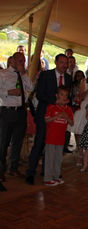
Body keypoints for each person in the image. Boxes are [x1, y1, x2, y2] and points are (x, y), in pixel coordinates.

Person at [25, 54, 72, 185]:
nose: (64, 65)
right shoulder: (46, 75)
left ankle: (49, 172)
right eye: (62, 62)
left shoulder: (68, 78)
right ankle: (30, 172)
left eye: (66, 63)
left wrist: (68, 104)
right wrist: (56, 102)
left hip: (59, 119)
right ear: (56, 62)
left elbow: (69, 96)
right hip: (45, 114)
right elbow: (39, 94)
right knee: (40, 143)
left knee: (54, 145)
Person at [0, 52, 34, 181]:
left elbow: (31, 87)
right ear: (13, 60)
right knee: (3, 142)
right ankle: (1, 170)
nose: (22, 63)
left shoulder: (22, 75)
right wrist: (8, 92)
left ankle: (13, 168)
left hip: (21, 112)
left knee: (17, 142)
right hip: (7, 111)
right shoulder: (3, 74)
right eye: (20, 61)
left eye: (23, 61)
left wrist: (24, 74)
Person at [44, 86, 73, 186]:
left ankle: (56, 176)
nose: (64, 97)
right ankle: (48, 178)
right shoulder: (51, 107)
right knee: (50, 159)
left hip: (61, 139)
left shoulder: (68, 109)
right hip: (51, 138)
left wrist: (67, 117)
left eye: (66, 95)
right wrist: (57, 116)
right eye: (61, 94)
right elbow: (46, 120)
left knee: (58, 159)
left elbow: (72, 123)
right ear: (57, 95)